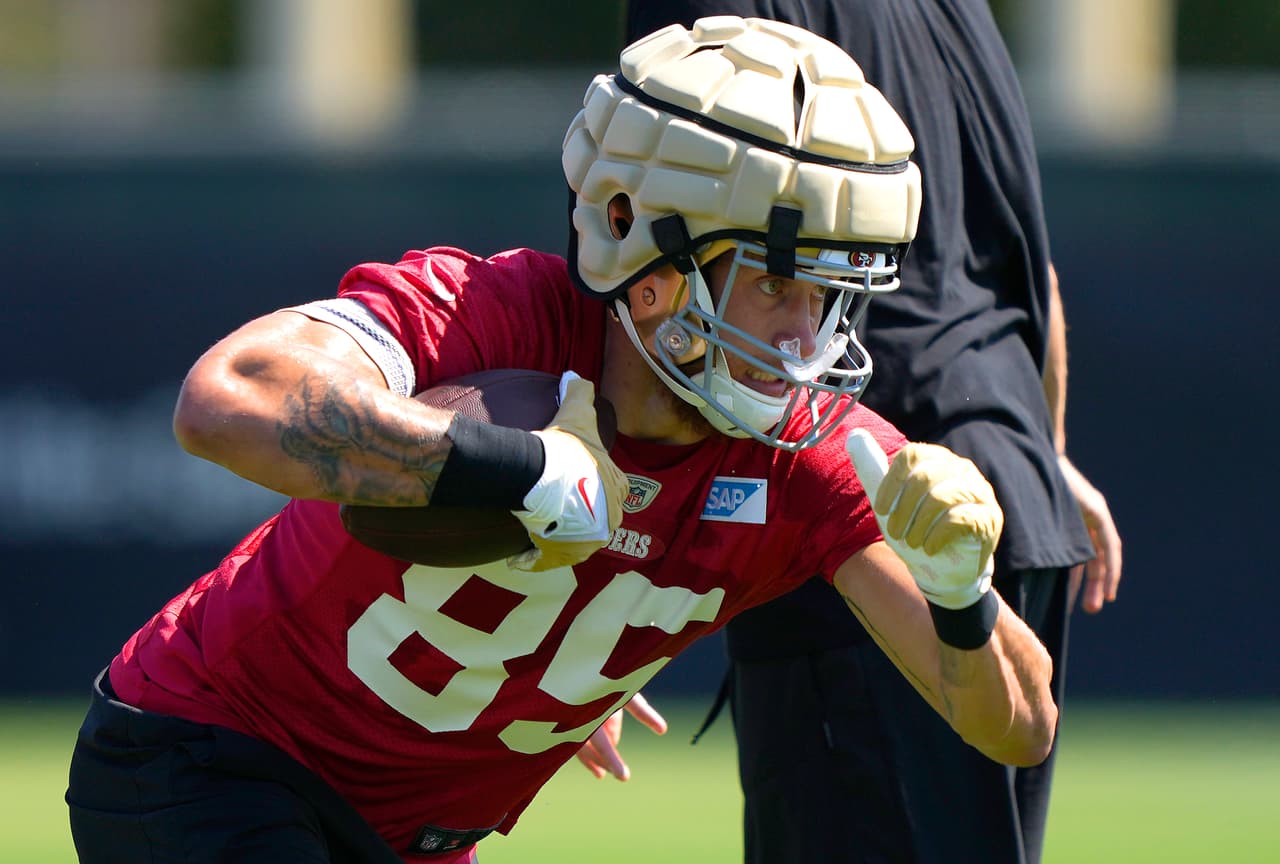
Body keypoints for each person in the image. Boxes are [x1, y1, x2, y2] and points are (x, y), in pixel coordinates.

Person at [65, 17, 1060, 864]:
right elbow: (225, 399)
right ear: (648, 254)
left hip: (414, 831)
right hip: (207, 753)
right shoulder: (494, 314)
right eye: (770, 282)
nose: (804, 338)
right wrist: (520, 469)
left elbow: (1015, 729)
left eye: (829, 293)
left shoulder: (813, 458)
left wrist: (958, 593)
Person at [620, 3, 1124, 864]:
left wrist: (592, 592)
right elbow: (1021, 255)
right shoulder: (953, 10)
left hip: (858, 516)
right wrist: (1047, 449)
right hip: (1007, 486)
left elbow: (644, 253)